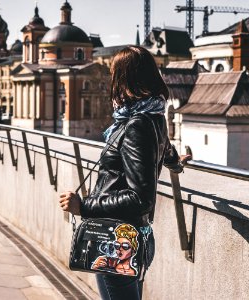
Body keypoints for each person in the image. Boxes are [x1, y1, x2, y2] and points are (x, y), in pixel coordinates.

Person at [59, 46, 191, 300]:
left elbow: (140, 198)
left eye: (113, 74)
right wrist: (176, 162)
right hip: (134, 237)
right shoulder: (153, 116)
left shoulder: (136, 124)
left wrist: (83, 206)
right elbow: (165, 149)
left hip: (118, 241)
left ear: (123, 79)